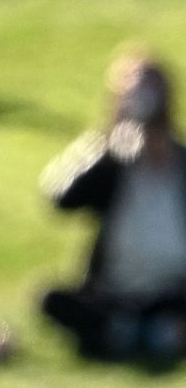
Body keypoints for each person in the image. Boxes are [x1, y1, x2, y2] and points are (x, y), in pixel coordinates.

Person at [39, 51, 186, 366]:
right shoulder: (110, 159)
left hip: (174, 290)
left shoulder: (181, 161)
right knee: (52, 299)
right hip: (113, 292)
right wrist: (109, 143)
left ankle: (137, 333)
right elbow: (61, 200)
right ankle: (135, 333)